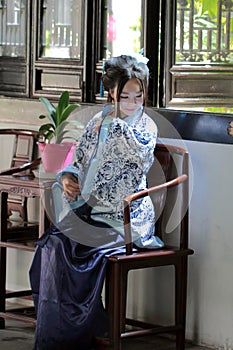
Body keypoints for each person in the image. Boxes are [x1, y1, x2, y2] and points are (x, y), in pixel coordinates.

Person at [29, 54, 164, 350]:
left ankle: (83, 331)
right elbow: (77, 160)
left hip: (126, 215)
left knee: (79, 253)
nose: (132, 101)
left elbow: (138, 162)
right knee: (52, 245)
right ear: (110, 93)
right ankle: (64, 334)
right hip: (90, 212)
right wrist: (68, 177)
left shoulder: (146, 127)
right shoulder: (97, 119)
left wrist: (115, 127)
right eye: (124, 95)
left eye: (138, 95)